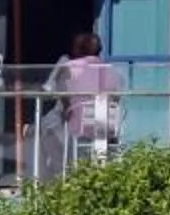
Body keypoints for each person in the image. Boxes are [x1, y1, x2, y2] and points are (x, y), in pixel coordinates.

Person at [42, 32, 123, 173]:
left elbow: (60, 94)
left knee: (46, 130)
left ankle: (61, 174)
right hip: (108, 126)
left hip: (80, 127)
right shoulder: (112, 70)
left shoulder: (70, 67)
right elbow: (116, 97)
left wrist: (67, 109)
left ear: (78, 49)